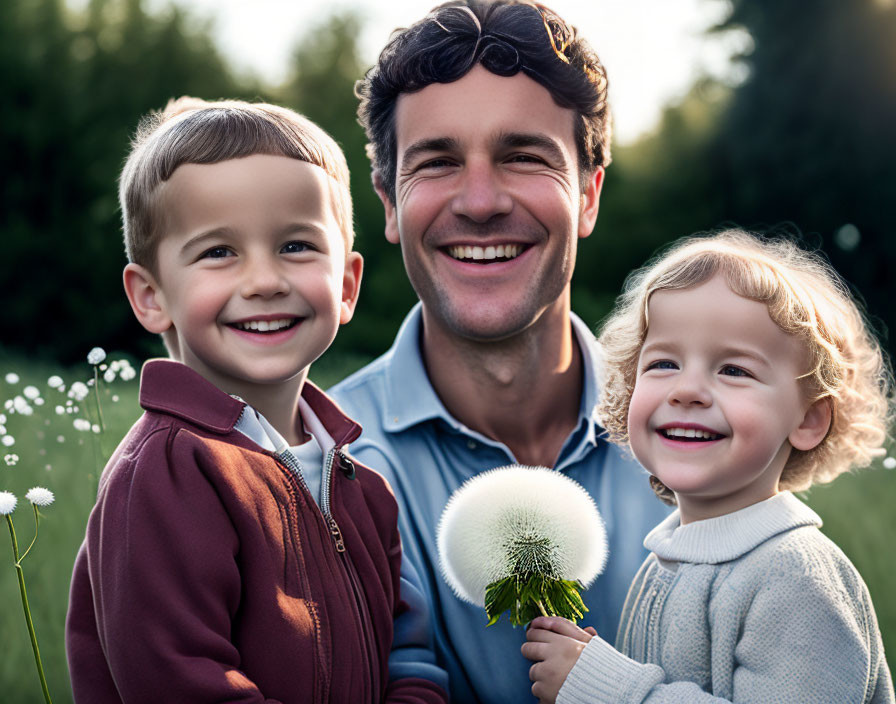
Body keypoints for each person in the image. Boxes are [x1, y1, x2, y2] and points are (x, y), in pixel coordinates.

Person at [328, 2, 671, 701]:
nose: (479, 201)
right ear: (389, 205)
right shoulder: (318, 472)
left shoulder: (709, 444)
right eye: (437, 161)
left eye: (523, 156)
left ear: (588, 195)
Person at [65, 97, 448, 704]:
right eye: (219, 251)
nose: (265, 280)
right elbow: (180, 682)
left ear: (347, 286)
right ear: (151, 296)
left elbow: (408, 651)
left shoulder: (364, 485)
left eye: (296, 246)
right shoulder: (167, 474)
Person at [522, 230, 895, 703]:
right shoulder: (666, 561)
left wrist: (611, 690)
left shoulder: (796, 578)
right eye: (662, 364)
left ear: (809, 419)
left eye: (734, 370)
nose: (687, 389)